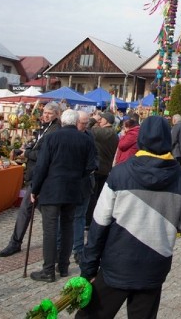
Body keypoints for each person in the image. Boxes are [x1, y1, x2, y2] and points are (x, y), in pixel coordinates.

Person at [77, 115, 181, 318]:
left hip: (118, 262)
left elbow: (99, 223)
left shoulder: (120, 173)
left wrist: (88, 268)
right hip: (154, 264)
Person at [29, 109, 97, 282]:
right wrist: (78, 176)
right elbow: (91, 165)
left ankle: (48, 270)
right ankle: (64, 266)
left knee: (50, 229)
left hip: (52, 189)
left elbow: (42, 166)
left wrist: (34, 189)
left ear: (61, 122)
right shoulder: (86, 139)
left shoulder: (52, 138)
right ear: (75, 123)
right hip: (73, 188)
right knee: (67, 227)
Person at [0, 102, 61, 257]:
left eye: (49, 113)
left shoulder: (54, 131)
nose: (45, 115)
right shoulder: (44, 127)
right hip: (35, 174)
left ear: (57, 115)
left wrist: (26, 154)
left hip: (42, 177)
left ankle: (17, 243)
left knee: (35, 211)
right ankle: (16, 242)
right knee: (30, 210)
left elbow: (44, 156)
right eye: (44, 112)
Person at [71, 110, 97, 266]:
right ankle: (61, 250)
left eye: (88, 123)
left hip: (85, 183)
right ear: (75, 122)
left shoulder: (89, 136)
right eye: (83, 123)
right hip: (69, 184)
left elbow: (96, 156)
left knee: (79, 217)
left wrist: (94, 166)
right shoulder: (66, 136)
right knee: (66, 218)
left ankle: (78, 250)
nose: (86, 125)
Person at [86, 111, 118, 231]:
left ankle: (89, 221)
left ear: (107, 121)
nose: (100, 120)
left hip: (98, 168)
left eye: (102, 119)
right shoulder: (114, 134)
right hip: (106, 168)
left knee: (92, 196)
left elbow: (87, 128)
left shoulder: (101, 132)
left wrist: (94, 119)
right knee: (98, 195)